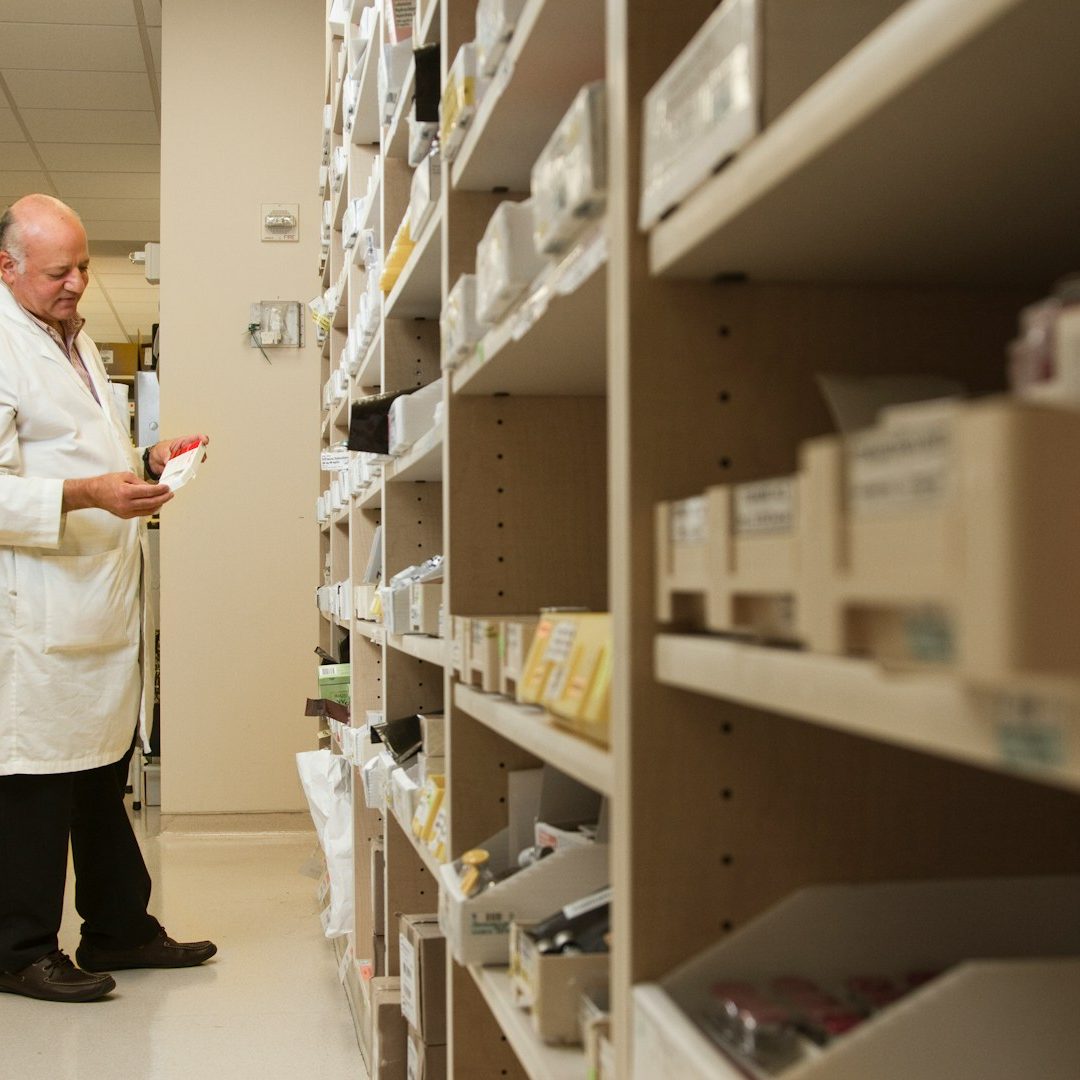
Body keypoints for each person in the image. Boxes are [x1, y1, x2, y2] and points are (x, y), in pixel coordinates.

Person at [0, 194, 216, 1003]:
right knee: (34, 784)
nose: (77, 283)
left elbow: (77, 448)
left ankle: (119, 927)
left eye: (83, 266)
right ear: (6, 266)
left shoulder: (72, 335)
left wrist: (145, 460)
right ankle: (19, 950)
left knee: (98, 773)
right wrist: (89, 494)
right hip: (35, 605)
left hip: (94, 598)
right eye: (59, 271)